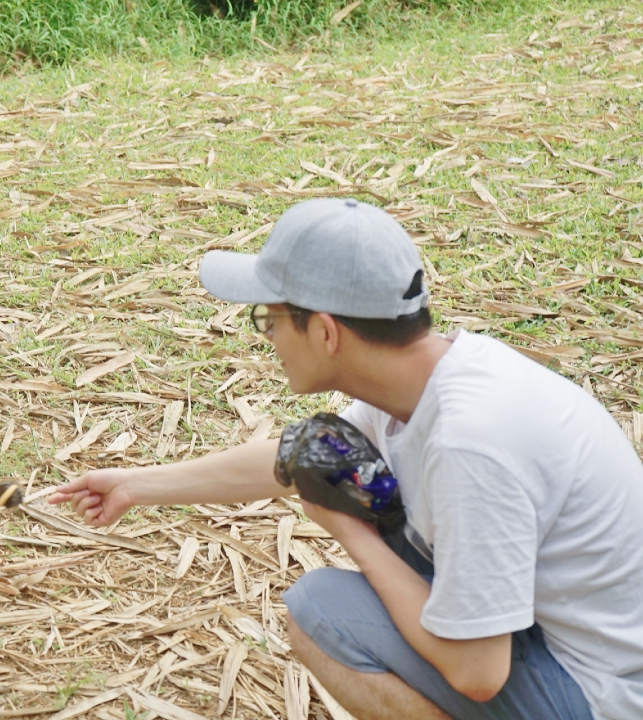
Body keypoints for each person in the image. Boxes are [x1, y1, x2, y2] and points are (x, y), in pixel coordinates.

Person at [48, 198, 643, 720]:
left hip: (599, 692)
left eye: (269, 319)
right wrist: (134, 485)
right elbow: (297, 458)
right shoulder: (433, 379)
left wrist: (352, 533)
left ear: (326, 332)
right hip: (564, 640)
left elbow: (477, 672)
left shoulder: (470, 444)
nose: (267, 338)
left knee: (322, 613)